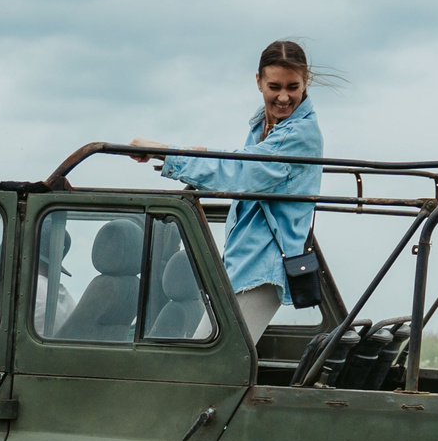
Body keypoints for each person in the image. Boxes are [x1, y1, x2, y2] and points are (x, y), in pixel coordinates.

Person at [135, 39, 325, 345]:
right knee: (206, 355)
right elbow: (239, 161)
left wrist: (167, 154)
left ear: (306, 82)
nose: (283, 96)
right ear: (259, 82)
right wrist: (175, 152)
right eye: (274, 86)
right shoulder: (264, 121)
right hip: (243, 255)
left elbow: (241, 173)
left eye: (293, 86)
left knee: (213, 361)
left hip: (264, 262)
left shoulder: (300, 134)